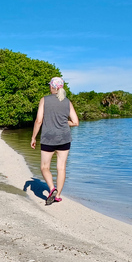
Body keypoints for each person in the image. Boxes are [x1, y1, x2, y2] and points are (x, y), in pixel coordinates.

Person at [30, 77, 79, 205]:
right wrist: (64, 122)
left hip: (48, 139)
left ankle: (52, 188)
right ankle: (58, 195)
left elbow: (39, 121)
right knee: (61, 168)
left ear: (52, 87)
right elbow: (76, 122)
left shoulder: (44, 100)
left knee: (44, 167)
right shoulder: (67, 102)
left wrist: (33, 137)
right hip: (64, 138)